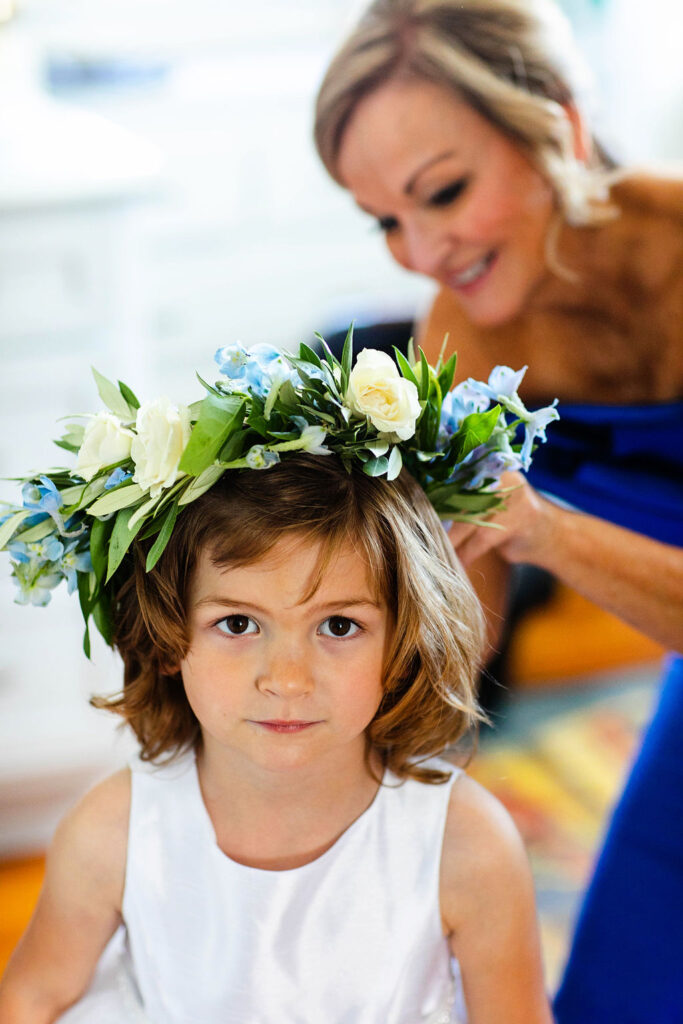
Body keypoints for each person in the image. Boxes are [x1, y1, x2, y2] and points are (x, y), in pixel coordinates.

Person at [313, 1, 683, 1021]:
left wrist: (545, 530)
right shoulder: (461, 338)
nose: (419, 252)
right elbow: (459, 624)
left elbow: (519, 527)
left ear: (556, 129)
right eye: (384, 218)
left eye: (443, 192)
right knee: (620, 994)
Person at [0, 343, 553, 1023]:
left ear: (403, 640)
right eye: (237, 623)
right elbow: (31, 995)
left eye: (339, 627)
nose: (286, 679)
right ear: (170, 636)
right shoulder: (113, 831)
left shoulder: (467, 846)